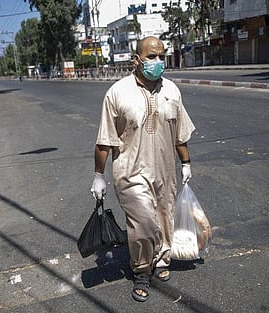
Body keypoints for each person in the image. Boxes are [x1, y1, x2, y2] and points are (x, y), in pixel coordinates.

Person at [90, 36, 195, 302]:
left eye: (161, 56)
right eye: (151, 57)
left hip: (165, 171)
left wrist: (186, 163)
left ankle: (160, 259)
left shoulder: (172, 90)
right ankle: (141, 271)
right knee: (143, 223)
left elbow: (179, 134)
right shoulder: (117, 93)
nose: (158, 62)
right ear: (136, 59)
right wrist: (98, 176)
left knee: (163, 219)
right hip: (130, 173)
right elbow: (104, 140)